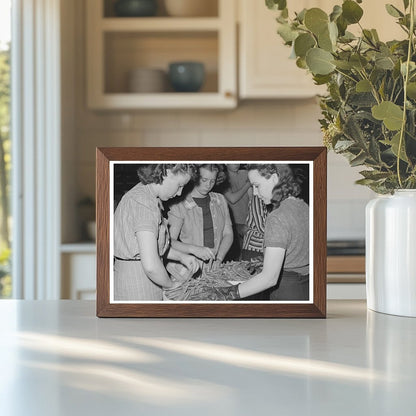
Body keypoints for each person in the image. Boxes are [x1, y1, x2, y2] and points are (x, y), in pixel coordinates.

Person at [199, 164, 309, 301]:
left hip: (286, 291)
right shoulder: (304, 207)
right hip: (305, 287)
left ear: (274, 178)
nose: (255, 193)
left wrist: (226, 294)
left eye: (257, 185)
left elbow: (269, 279)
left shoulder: (277, 216)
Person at [113, 164, 199, 301]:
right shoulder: (143, 202)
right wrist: (171, 285)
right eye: (179, 185)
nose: (179, 193)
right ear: (167, 173)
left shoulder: (145, 194)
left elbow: (149, 247)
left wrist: (181, 257)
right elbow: (151, 265)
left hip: (145, 279)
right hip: (137, 285)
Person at [167, 164, 234, 276]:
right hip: (188, 268)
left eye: (212, 181)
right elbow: (169, 241)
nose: (208, 185)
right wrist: (193, 249)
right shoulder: (180, 204)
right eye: (204, 180)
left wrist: (219, 258)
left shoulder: (220, 200)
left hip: (214, 267)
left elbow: (228, 233)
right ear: (195, 177)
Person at [222, 164, 251, 259]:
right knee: (236, 255)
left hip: (248, 220)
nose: (237, 164)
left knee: (247, 254)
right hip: (233, 222)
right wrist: (248, 184)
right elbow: (232, 198)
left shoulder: (245, 173)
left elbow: (252, 196)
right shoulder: (222, 177)